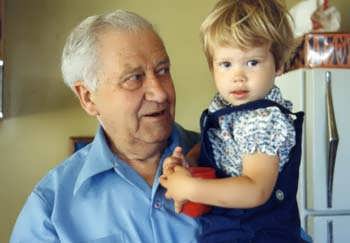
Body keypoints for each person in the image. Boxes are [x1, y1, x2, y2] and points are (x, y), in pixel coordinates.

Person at [10, 10, 201, 242]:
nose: (160, 93)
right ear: (88, 97)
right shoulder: (50, 208)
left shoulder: (229, 161)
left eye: (162, 71)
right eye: (134, 78)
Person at [160, 0, 308, 242]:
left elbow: (255, 189)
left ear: (279, 64)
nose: (238, 76)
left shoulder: (263, 120)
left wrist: (190, 189)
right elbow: (220, 147)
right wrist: (187, 161)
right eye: (226, 64)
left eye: (252, 62)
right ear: (213, 68)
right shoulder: (226, 109)